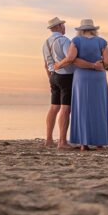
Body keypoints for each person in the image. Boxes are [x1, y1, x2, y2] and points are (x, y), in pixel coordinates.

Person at [55, 19, 108, 151]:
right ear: (94, 29)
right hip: (98, 77)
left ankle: (84, 143)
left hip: (81, 77)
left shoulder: (76, 41)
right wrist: (106, 66)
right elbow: (106, 61)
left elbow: (70, 58)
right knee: (99, 107)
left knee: (82, 108)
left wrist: (58, 65)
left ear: (80, 30)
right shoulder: (102, 42)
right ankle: (100, 143)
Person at [42, 17, 75, 149]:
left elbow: (46, 64)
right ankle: (62, 141)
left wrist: (51, 77)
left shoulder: (46, 43)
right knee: (65, 108)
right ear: (60, 26)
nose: (64, 27)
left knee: (54, 107)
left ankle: (49, 139)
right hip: (65, 75)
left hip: (53, 76)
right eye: (63, 25)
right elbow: (70, 58)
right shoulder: (64, 40)